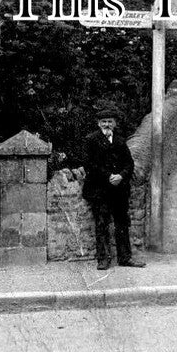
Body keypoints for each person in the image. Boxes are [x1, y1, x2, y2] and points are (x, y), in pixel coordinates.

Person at [75, 107, 145, 270]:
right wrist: (109, 177)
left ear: (115, 123)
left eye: (110, 122)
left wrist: (121, 175)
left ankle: (125, 258)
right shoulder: (91, 140)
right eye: (104, 122)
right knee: (102, 224)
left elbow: (129, 163)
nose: (107, 124)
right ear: (99, 124)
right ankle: (103, 259)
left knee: (122, 223)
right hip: (100, 190)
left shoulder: (120, 140)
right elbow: (90, 164)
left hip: (119, 190)